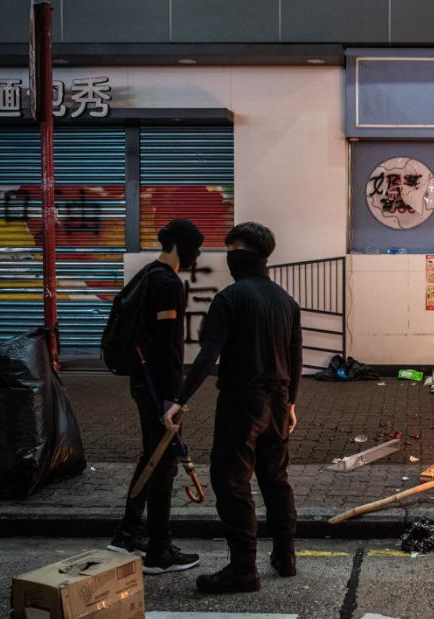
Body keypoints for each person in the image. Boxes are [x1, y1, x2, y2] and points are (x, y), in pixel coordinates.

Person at [164, 222, 302, 594]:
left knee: (232, 482)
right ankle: (285, 556)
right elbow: (295, 358)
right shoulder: (285, 301)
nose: (228, 256)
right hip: (277, 402)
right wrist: (290, 404)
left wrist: (179, 399)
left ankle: (243, 569)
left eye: (232, 248)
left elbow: (209, 356)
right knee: (276, 480)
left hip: (242, 402)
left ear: (245, 255)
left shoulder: (230, 299)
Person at [107, 218, 204, 575]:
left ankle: (128, 532)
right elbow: (170, 348)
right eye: (195, 246)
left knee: (152, 456)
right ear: (179, 246)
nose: (198, 253)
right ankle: (159, 551)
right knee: (164, 464)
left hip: (141, 379)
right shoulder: (168, 283)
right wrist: (172, 399)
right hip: (156, 387)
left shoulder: (147, 273)